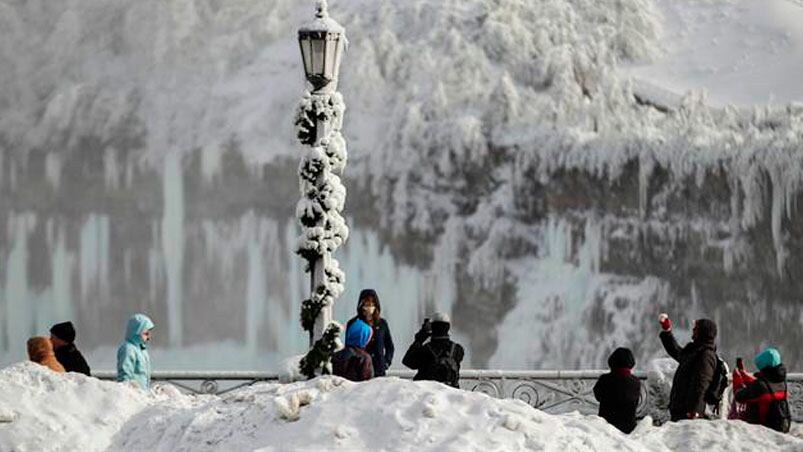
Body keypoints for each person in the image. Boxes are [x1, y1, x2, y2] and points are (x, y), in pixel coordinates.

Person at [658, 313, 718, 421]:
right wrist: (667, 332)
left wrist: (695, 411)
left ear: (702, 332)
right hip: (681, 409)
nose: (693, 331)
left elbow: (701, 384)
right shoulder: (695, 350)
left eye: (696, 329)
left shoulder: (706, 355)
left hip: (688, 413)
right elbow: (677, 352)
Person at [734, 347, 791, 433]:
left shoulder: (760, 386)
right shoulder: (781, 382)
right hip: (778, 426)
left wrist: (737, 379)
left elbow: (739, 396)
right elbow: (762, 387)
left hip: (760, 430)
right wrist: (743, 374)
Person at [402, 312, 464, 388]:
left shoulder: (425, 350)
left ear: (432, 327)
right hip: (451, 392)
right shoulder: (458, 349)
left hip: (429, 393)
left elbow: (408, 361)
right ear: (448, 327)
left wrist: (419, 339)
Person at [346, 289, 395, 376]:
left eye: (373, 304)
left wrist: (386, 362)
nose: (370, 307)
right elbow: (348, 347)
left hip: (378, 369)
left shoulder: (382, 323)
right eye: (367, 304)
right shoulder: (354, 323)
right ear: (361, 305)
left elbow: (390, 346)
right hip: (360, 370)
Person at [593, 347, 641, 433]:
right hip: (629, 428)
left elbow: (597, 396)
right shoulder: (636, 381)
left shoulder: (604, 379)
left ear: (612, 362)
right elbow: (636, 402)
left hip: (606, 426)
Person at [117, 313, 154, 390]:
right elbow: (125, 376)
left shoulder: (141, 349)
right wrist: (127, 393)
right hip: (132, 396)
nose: (148, 337)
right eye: (146, 334)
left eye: (149, 334)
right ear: (136, 332)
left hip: (141, 395)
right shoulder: (128, 349)